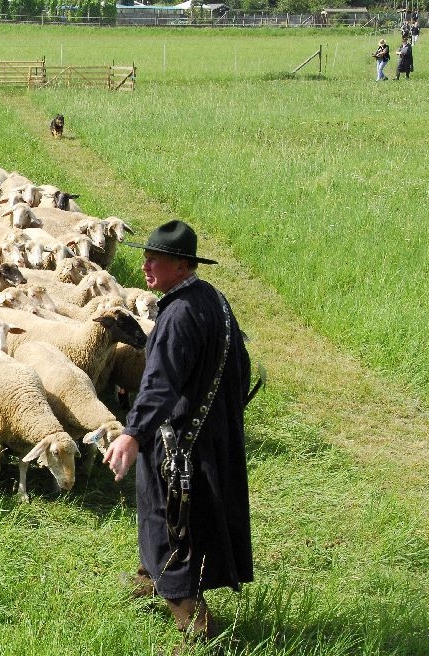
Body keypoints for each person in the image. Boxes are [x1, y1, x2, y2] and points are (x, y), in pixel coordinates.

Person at [103, 220, 253, 639]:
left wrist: (133, 433)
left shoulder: (178, 313)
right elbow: (240, 367)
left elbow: (160, 382)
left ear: (183, 266)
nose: (147, 266)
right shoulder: (213, 300)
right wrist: (221, 421)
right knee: (177, 520)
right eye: (146, 257)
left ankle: (197, 627)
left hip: (178, 444)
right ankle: (150, 578)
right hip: (208, 436)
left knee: (169, 525)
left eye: (158, 260)